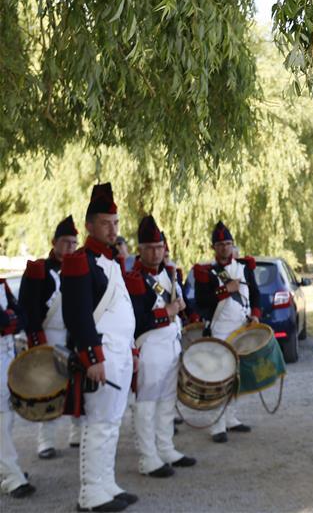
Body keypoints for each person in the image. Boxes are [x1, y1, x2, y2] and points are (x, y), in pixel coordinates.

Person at [61, 183, 137, 512]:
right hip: (101, 356)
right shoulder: (80, 261)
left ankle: (106, 484)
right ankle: (90, 495)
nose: (112, 228)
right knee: (98, 425)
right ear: (90, 225)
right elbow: (77, 316)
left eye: (116, 222)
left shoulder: (113, 261)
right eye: (106, 223)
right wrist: (91, 357)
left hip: (119, 354)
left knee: (112, 423)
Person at [126, 215, 196, 477]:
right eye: (150, 248)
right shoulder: (133, 278)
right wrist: (165, 312)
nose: (156, 252)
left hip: (170, 343)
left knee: (167, 400)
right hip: (149, 345)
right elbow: (134, 319)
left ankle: (166, 448)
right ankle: (148, 457)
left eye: (159, 247)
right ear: (140, 250)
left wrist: (178, 310)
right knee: (146, 403)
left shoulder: (170, 274)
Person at [192, 220, 261, 443]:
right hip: (220, 330)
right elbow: (201, 303)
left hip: (242, 329)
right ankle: (217, 424)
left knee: (236, 377)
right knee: (218, 378)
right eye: (220, 244)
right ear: (214, 247)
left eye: (228, 243)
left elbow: (256, 295)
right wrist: (224, 290)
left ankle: (231, 418)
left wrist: (256, 315)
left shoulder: (245, 267)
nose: (224, 248)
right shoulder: (207, 272)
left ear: (233, 245)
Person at [20, 215, 81, 459]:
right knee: (49, 387)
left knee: (79, 386)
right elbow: (28, 307)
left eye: (74, 243)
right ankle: (45, 441)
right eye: (66, 242)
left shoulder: (80, 269)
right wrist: (36, 338)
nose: (70, 247)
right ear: (54, 242)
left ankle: (77, 433)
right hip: (50, 335)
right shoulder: (38, 270)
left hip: (75, 334)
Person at [1, 276, 35, 498]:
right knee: (1, 418)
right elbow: (5, 321)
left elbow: (21, 317)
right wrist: (9, 319)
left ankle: (7, 469)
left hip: (6, 355)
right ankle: (12, 475)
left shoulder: (2, 284)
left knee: (6, 415)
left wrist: (10, 319)